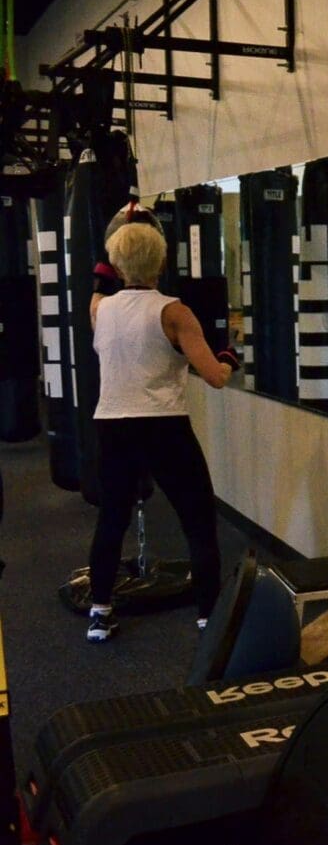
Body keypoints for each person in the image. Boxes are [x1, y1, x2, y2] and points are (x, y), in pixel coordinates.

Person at [84, 214, 239, 642]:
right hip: (163, 427)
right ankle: (208, 616)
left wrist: (114, 231)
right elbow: (214, 377)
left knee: (111, 520)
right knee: (197, 520)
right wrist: (229, 357)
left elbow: (100, 284)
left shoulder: (100, 309)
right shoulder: (175, 312)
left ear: (116, 264)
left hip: (112, 425)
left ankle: (99, 614)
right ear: (163, 260)